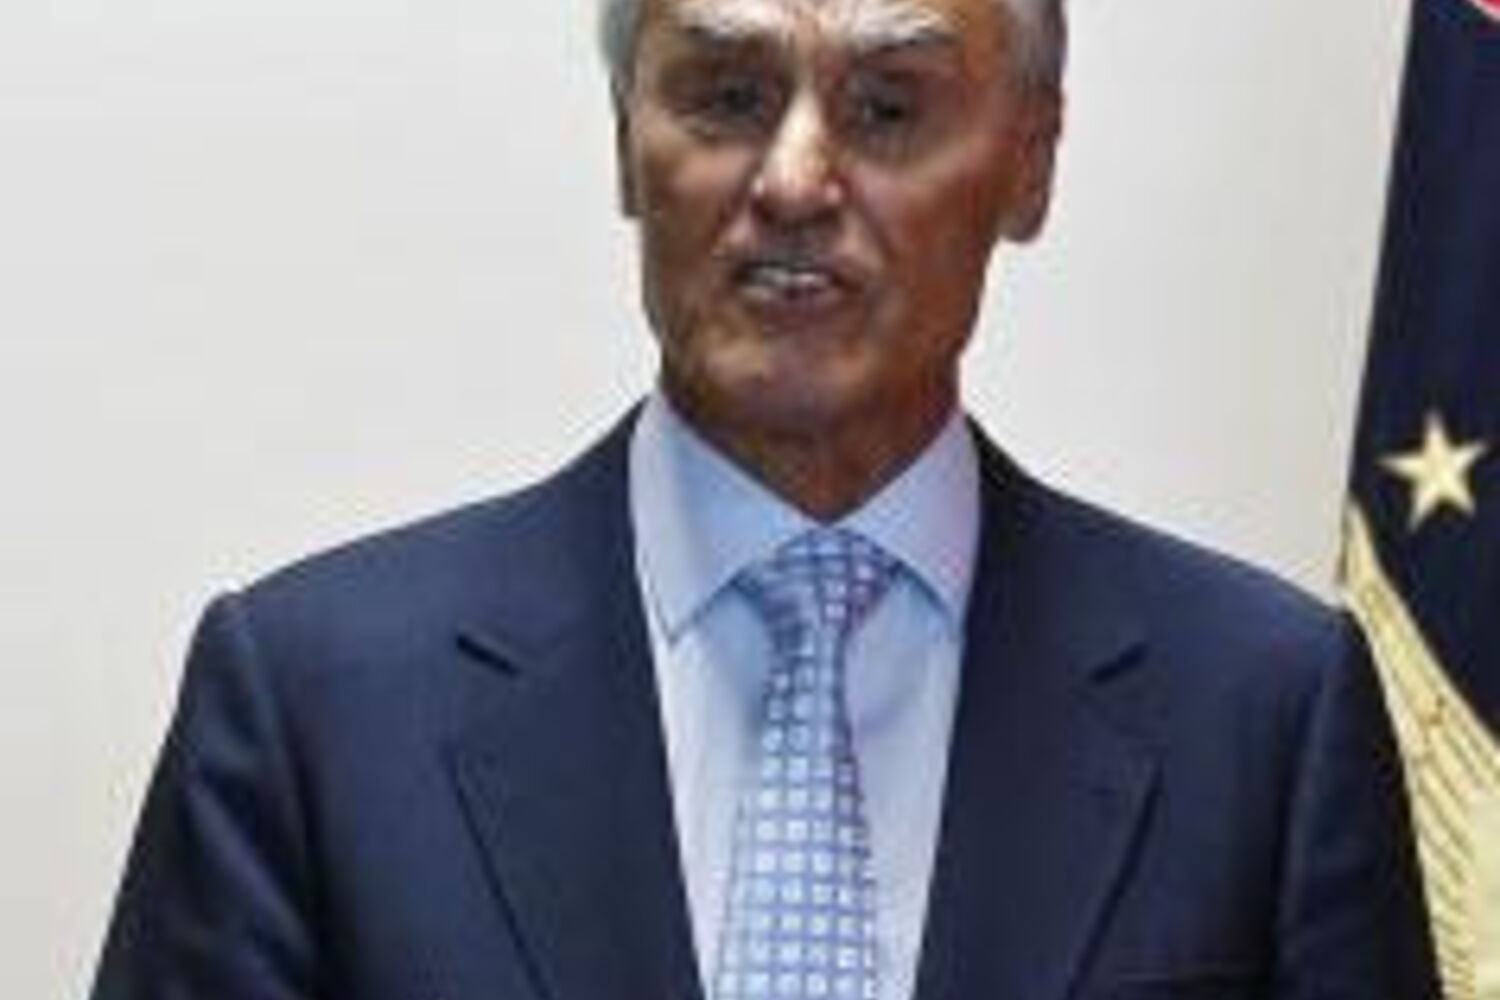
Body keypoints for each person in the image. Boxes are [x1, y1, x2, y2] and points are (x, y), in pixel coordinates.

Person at [91, 0, 1439, 997]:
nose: (793, 180)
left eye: (889, 107)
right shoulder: (315, 709)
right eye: (728, 96)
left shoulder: (1263, 715)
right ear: (626, 142)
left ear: (1030, 161)